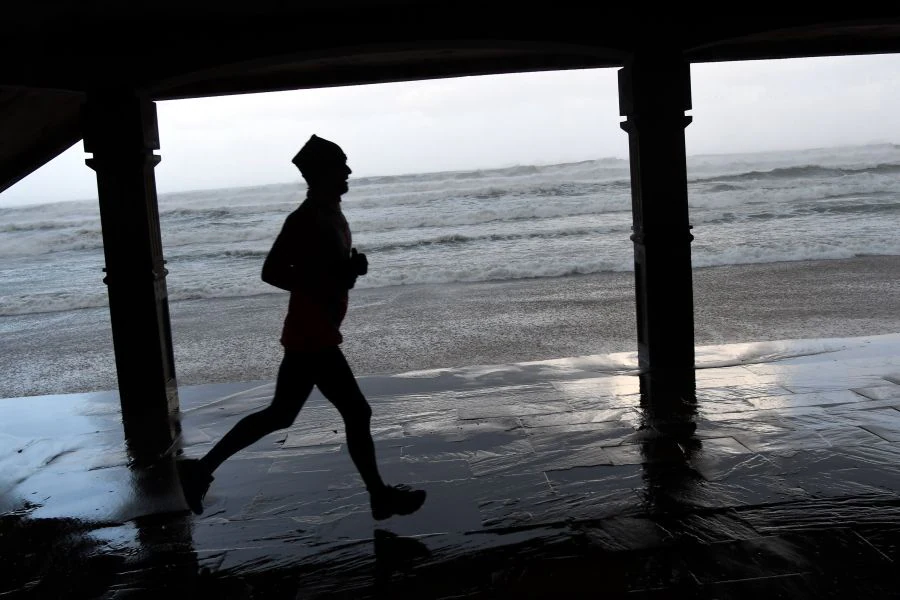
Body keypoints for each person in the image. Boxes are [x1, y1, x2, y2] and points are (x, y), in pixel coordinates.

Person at [177, 134, 426, 520]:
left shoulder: (330, 213)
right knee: (356, 412)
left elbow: (327, 272)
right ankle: (379, 496)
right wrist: (332, 276)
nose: (348, 170)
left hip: (315, 331)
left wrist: (347, 270)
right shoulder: (305, 218)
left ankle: (199, 470)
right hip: (312, 335)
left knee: (281, 414)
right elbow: (272, 272)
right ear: (322, 173)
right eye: (341, 164)